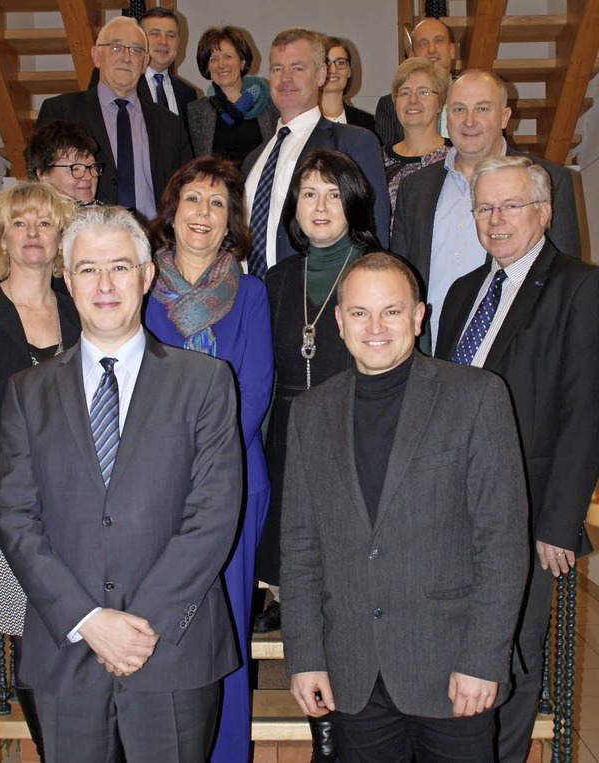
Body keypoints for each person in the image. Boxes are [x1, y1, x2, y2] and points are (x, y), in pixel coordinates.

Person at [0, 205, 243, 762]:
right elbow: (14, 516)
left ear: (147, 276)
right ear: (66, 277)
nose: (104, 284)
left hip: (172, 647)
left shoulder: (205, 383)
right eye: (87, 269)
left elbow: (214, 514)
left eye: (120, 267)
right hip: (67, 646)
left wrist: (138, 626)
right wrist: (89, 621)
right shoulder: (26, 392)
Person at [281, 251, 529, 763]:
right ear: (339, 321)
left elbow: (501, 543)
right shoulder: (310, 413)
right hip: (352, 672)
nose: (375, 327)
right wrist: (304, 657)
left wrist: (484, 659)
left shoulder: (477, 397)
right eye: (359, 313)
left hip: (453, 669)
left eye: (391, 311)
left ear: (418, 317)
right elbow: (300, 549)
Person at [435, 155, 599, 763]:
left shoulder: (580, 287)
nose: (495, 220)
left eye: (511, 206)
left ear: (545, 211)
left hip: (529, 518)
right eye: (484, 208)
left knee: (512, 654)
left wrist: (559, 521)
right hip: (454, 511)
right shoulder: (460, 293)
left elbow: (586, 411)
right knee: (463, 649)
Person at [145, 156, 273, 762]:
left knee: (226, 629)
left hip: (232, 488)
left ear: (232, 223)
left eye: (218, 204)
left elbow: (256, 388)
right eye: (192, 200)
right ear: (170, 213)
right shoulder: (139, 289)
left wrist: (202, 469)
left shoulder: (250, 295)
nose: (203, 213)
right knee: (158, 621)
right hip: (150, 492)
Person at [253, 148, 380, 762]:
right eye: (308, 194)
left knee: (348, 590)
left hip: (356, 443)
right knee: (298, 583)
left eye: (333, 192)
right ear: (293, 210)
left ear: (353, 202)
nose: (320, 205)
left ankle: (348, 726)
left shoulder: (379, 269)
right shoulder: (275, 282)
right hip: (285, 449)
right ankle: (321, 725)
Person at [0, 181, 80, 761]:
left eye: (45, 223)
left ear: (60, 238)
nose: (33, 233)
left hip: (67, 493)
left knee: (54, 622)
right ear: (1, 237)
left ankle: (57, 744)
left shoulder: (82, 310)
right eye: (20, 222)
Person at [391, 69, 581, 352]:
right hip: (430, 356)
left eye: (482, 109)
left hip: (515, 353)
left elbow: (565, 283)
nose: (469, 121)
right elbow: (401, 279)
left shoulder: (548, 180)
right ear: (446, 116)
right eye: (459, 109)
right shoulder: (415, 188)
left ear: (505, 117)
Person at [241, 27, 389, 277]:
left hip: (320, 300)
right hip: (252, 303)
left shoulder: (353, 143)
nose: (285, 78)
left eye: (297, 68)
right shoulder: (253, 159)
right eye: (277, 69)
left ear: (321, 74)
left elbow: (375, 235)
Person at [37, 16, 192, 220]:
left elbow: (187, 189)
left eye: (135, 50)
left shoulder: (171, 125)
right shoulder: (60, 112)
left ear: (145, 62)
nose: (126, 58)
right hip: (82, 240)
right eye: (116, 48)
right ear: (96, 56)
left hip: (152, 244)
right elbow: (40, 184)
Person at [187, 26, 279, 167]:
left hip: (261, 187)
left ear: (242, 62)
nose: (221, 64)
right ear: (207, 67)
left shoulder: (269, 103)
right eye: (213, 59)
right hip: (217, 187)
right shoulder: (196, 110)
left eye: (228, 56)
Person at [384, 57, 450, 227]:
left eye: (423, 92)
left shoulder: (456, 159)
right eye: (405, 92)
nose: (413, 100)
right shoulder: (376, 160)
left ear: (440, 103)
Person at [375, 17, 455, 147]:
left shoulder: (469, 100)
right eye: (423, 43)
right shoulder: (389, 106)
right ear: (412, 55)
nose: (431, 49)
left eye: (438, 41)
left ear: (452, 50)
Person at [138, 6, 198, 127]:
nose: (164, 42)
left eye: (171, 35)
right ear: (140, 39)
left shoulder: (188, 94)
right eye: (155, 34)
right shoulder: (126, 85)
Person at [25, 120, 102, 205]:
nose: (88, 176)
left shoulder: (113, 216)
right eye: (75, 168)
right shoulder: (27, 216)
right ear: (43, 174)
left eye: (91, 167)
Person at [319, 36, 377, 135]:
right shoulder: (300, 120)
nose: (333, 70)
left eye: (340, 62)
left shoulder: (365, 122)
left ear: (349, 71)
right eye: (326, 63)